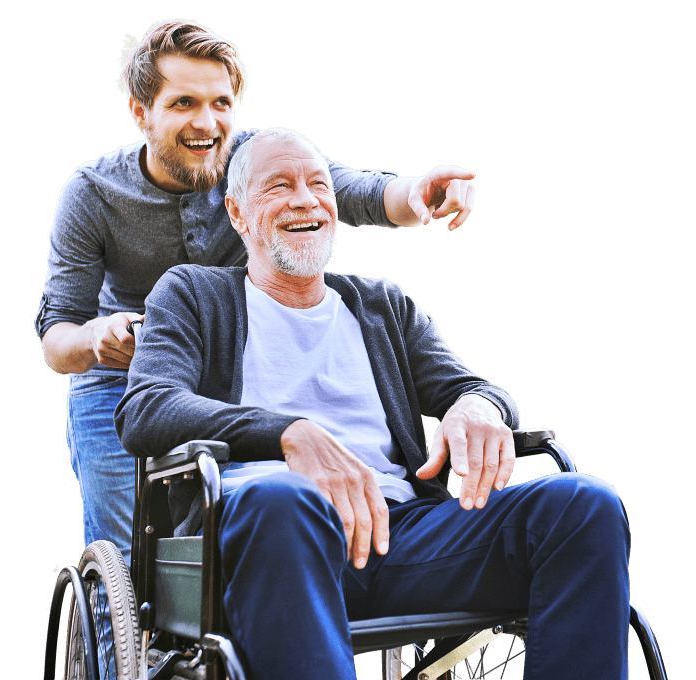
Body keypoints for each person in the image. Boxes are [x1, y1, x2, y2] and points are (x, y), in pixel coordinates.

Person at [115, 127, 631, 679]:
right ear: (239, 215)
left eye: (318, 184)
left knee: (583, 505)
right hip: (268, 535)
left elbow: (472, 387)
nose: (305, 199)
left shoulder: (382, 305)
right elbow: (147, 408)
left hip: (402, 534)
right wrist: (289, 434)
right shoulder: (194, 294)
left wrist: (480, 408)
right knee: (283, 498)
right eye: (279, 186)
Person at [35, 18, 477, 567]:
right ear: (139, 111)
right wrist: (98, 338)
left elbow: (353, 191)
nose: (207, 122)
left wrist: (420, 192)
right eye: (183, 104)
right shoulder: (91, 195)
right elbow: (57, 339)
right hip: (117, 382)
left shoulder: (254, 165)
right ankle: (125, 645)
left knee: (231, 534)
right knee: (129, 562)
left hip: (222, 371)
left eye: (222, 103)